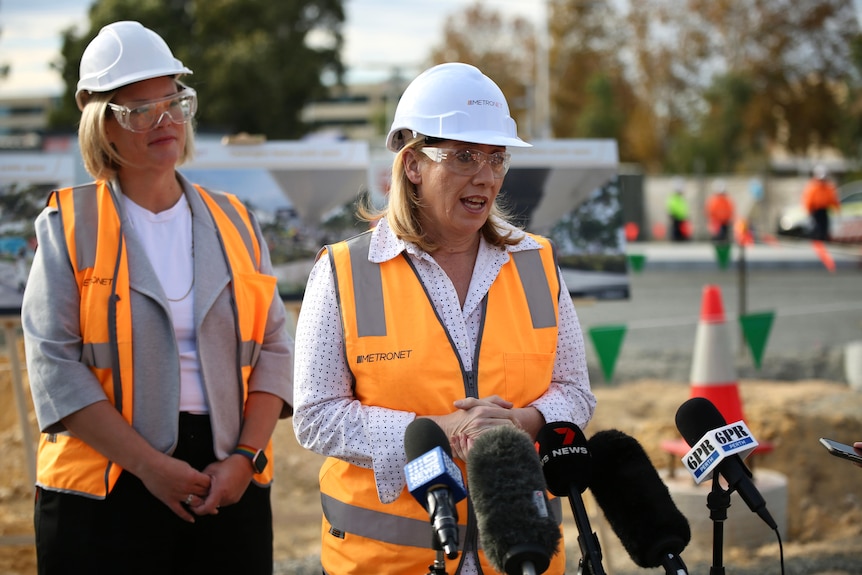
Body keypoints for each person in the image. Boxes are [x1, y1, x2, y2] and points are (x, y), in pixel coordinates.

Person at [292, 62, 596, 575]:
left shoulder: (536, 261)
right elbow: (316, 416)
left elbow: (574, 392)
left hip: (520, 556)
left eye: (496, 159)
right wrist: (442, 428)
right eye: (463, 157)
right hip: (388, 563)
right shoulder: (345, 272)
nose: (485, 175)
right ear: (412, 164)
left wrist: (520, 423)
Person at [21, 21, 293, 575]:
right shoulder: (69, 224)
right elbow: (53, 365)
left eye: (173, 101)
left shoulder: (237, 221)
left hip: (227, 478)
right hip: (106, 484)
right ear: (104, 127)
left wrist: (244, 459)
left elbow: (273, 350)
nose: (164, 121)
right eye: (139, 110)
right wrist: (150, 466)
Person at [802, 164, 840, 241]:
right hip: (815, 210)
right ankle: (817, 241)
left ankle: (823, 240)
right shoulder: (812, 187)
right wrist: (809, 210)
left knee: (824, 227)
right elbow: (808, 199)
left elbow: (832, 199)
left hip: (824, 210)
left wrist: (836, 208)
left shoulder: (828, 187)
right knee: (816, 228)